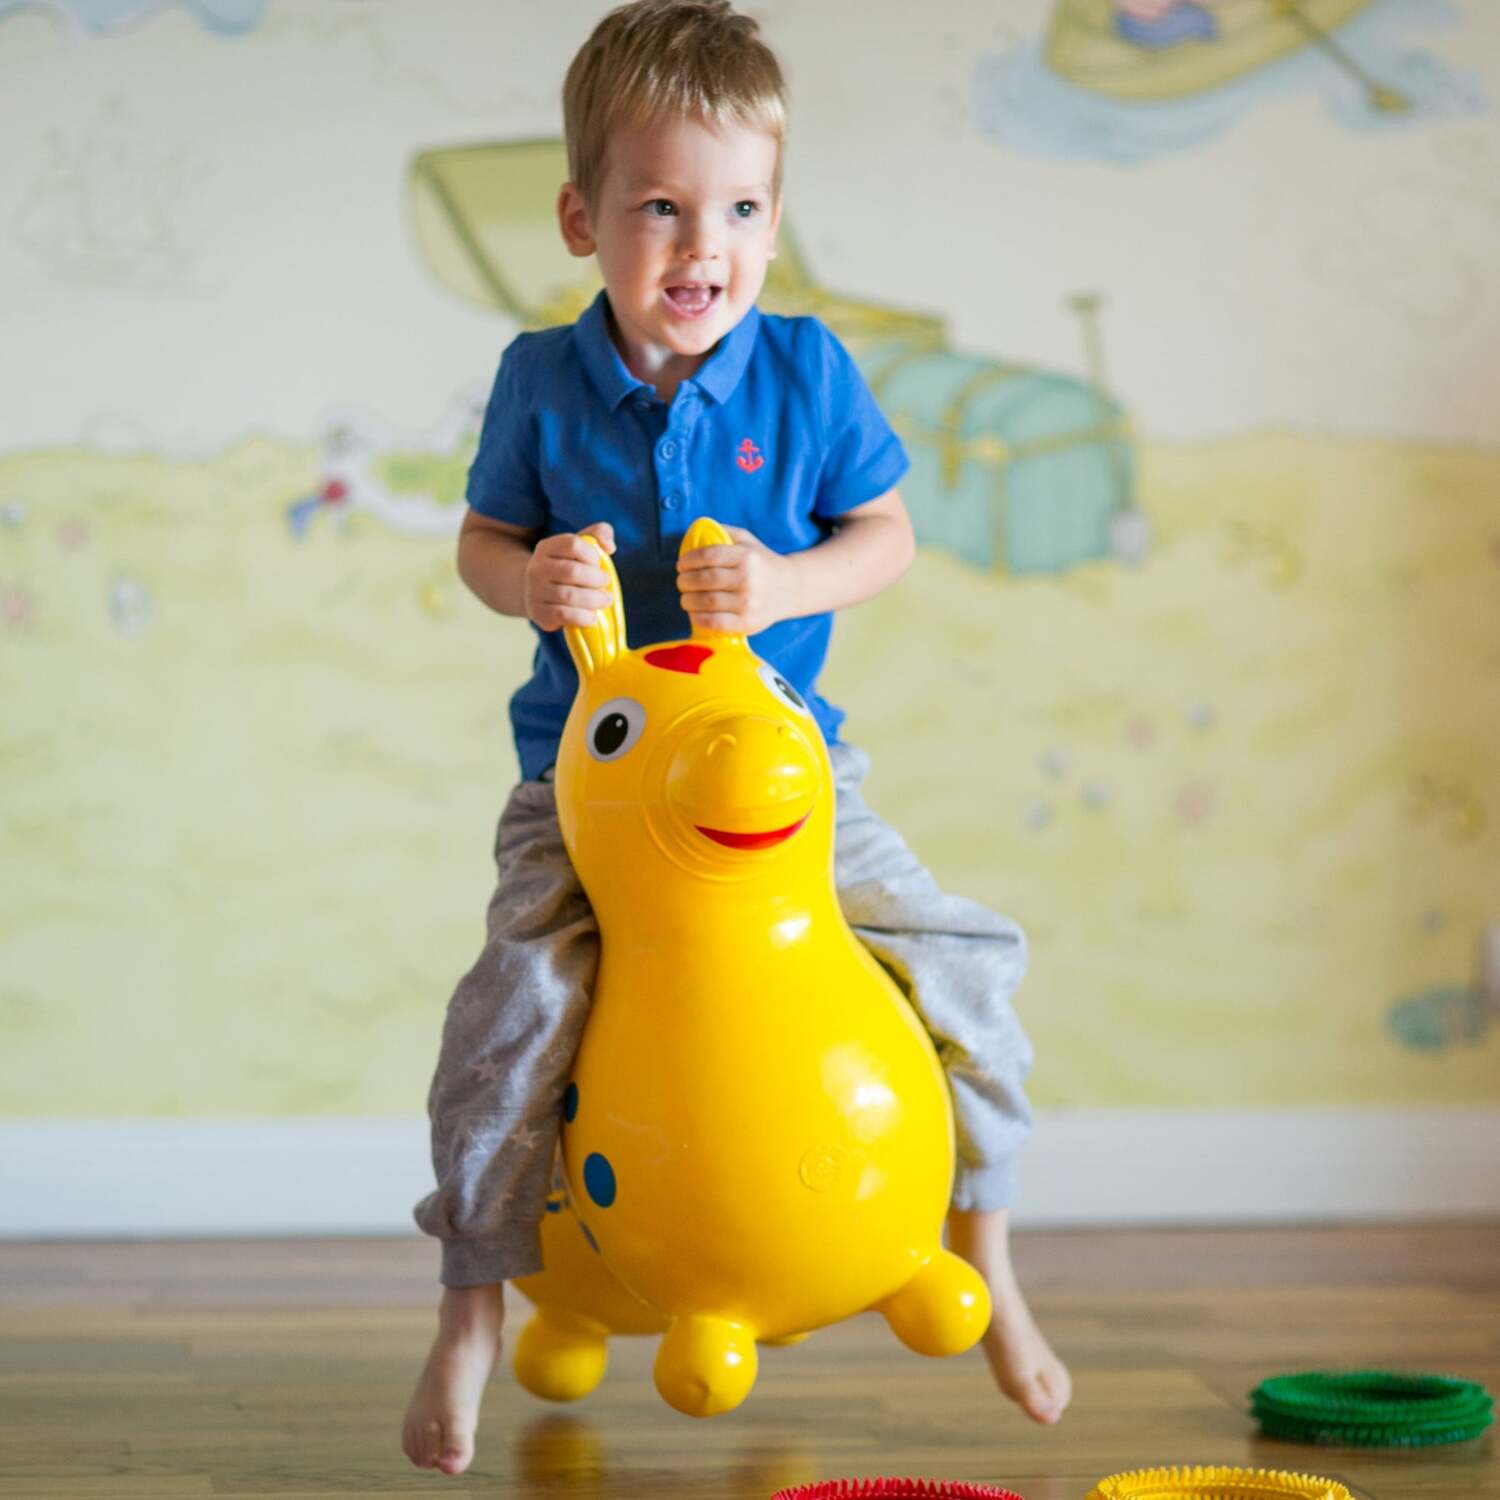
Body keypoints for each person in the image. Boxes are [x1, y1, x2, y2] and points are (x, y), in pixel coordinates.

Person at [402, 0, 1071, 1476]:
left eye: (744, 209)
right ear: (582, 220)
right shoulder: (539, 379)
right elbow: (481, 544)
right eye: (661, 207)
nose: (704, 245)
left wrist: (787, 585)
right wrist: (530, 579)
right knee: (506, 1018)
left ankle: (989, 1251)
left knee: (967, 961)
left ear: (774, 219)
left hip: (787, 780)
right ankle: (469, 1307)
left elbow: (886, 535)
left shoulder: (807, 369)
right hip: (582, 791)